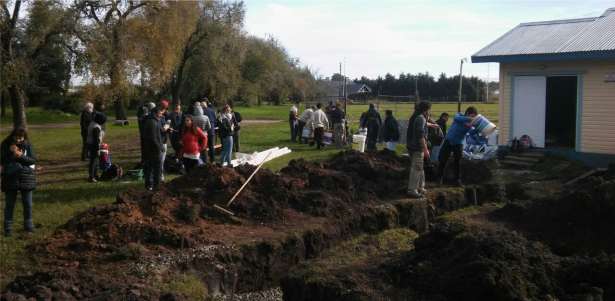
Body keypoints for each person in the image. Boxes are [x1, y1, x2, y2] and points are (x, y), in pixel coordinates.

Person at [1, 128, 37, 237]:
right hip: (10, 178)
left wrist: (21, 156)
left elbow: (32, 160)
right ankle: (8, 228)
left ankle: (28, 225)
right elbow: (1, 158)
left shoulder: (28, 144)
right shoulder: (5, 144)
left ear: (24, 137)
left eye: (20, 138)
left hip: (26, 177)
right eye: (16, 138)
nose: (18, 140)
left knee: (27, 204)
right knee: (10, 204)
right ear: (12, 136)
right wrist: (9, 152)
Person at [436, 107, 479, 188]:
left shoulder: (470, 124)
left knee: (458, 163)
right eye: (471, 116)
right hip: (448, 141)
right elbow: (455, 118)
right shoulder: (459, 116)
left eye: (474, 116)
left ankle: (457, 180)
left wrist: (478, 128)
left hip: (458, 144)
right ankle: (439, 179)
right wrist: (469, 118)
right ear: (467, 113)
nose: (472, 118)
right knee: (443, 160)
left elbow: (472, 132)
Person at [406, 101, 432, 198]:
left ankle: (421, 187)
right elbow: (421, 135)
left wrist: (431, 125)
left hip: (411, 146)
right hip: (417, 148)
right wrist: (425, 149)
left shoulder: (415, 117)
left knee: (419, 167)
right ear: (426, 110)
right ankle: (412, 190)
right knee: (416, 168)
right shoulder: (421, 119)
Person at [143, 105, 165, 191]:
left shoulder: (152, 121)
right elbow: (153, 138)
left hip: (151, 150)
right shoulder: (152, 123)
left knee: (150, 168)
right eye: (159, 113)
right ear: (154, 113)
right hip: (154, 151)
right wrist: (159, 148)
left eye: (161, 113)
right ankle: (157, 186)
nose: (161, 115)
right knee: (157, 170)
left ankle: (149, 185)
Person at [86, 112, 106, 182]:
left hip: (89, 143)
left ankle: (95, 175)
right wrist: (98, 150)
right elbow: (95, 140)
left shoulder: (92, 123)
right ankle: (91, 177)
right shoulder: (96, 128)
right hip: (93, 145)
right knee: (93, 161)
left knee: (95, 161)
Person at [158, 100, 170, 182]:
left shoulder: (163, 117)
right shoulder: (155, 120)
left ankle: (161, 177)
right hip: (159, 142)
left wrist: (168, 129)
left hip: (164, 140)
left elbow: (165, 125)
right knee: (159, 162)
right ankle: (160, 178)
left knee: (162, 161)